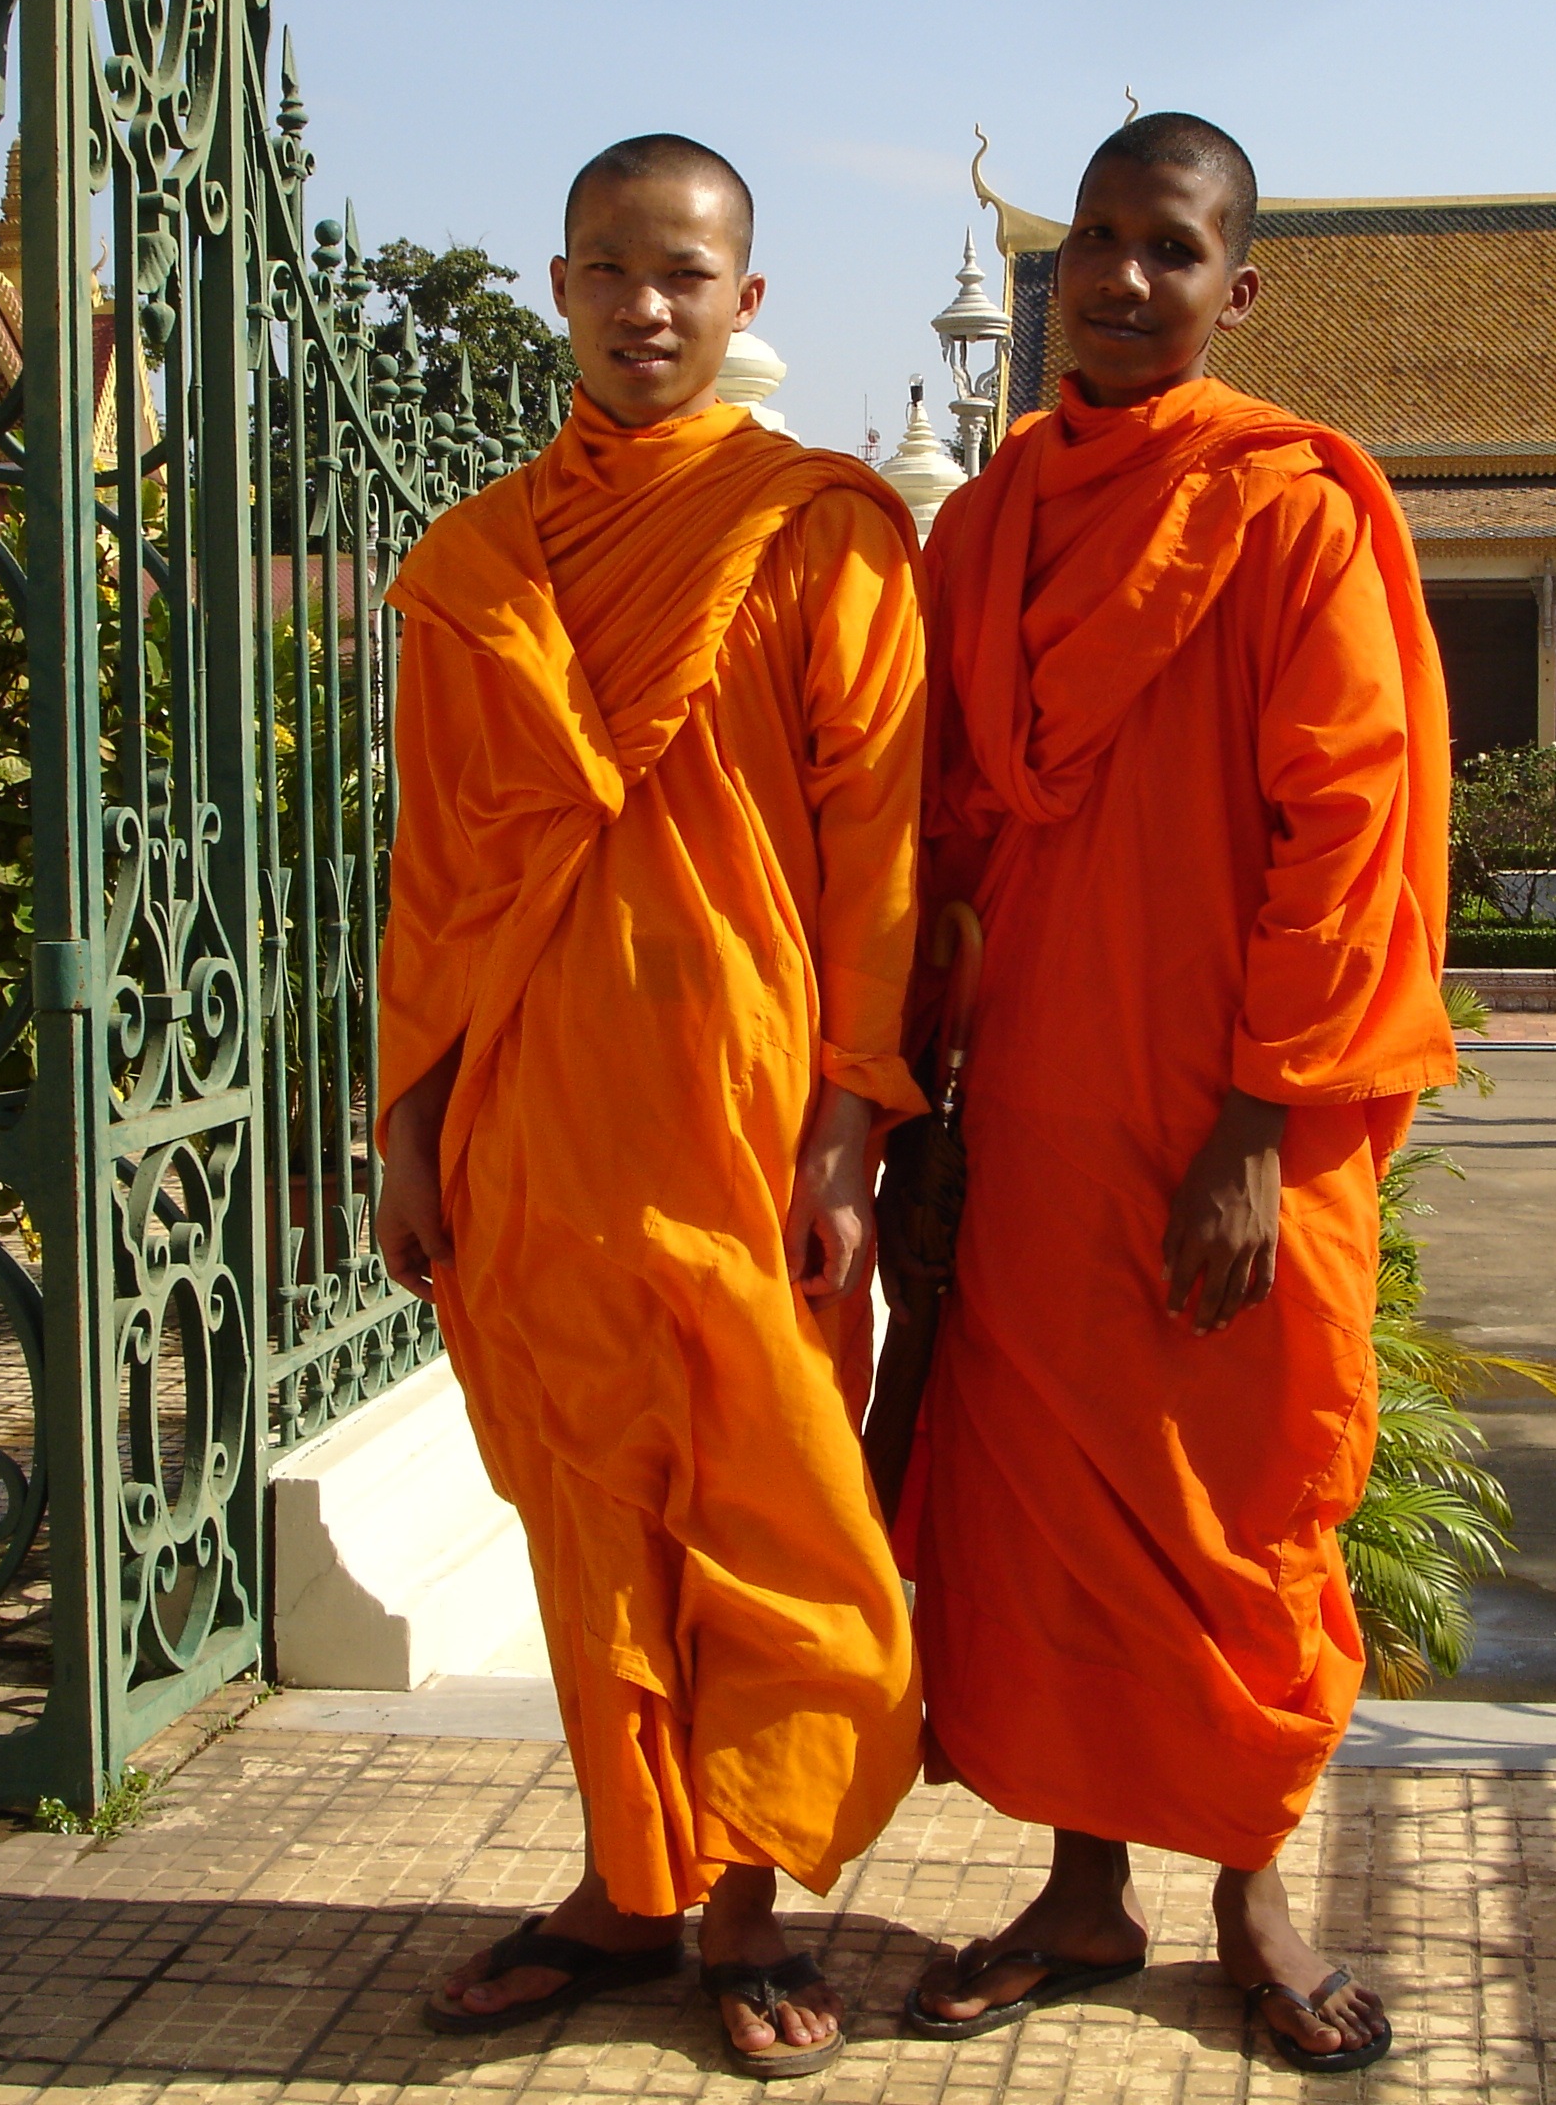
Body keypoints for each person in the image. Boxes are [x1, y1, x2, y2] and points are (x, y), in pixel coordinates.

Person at [894, 113, 1452, 2078]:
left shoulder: (1289, 511)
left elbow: (1348, 833)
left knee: (1249, 1516)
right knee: (1052, 1514)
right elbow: (946, 834)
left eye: (1172, 247)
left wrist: (1253, 1132)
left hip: (1237, 1127)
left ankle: (1249, 1893)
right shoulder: (983, 527)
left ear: (1238, 287)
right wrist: (906, 1098)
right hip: (1040, 1098)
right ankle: (1078, 1889)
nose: (1123, 276)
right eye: (1099, 240)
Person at [374, 134, 927, 2079]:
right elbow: (437, 876)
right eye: (612, 269)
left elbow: (882, 860)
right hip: (539, 1126)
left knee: (776, 1528)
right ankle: (630, 1887)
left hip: (759, 1133)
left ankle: (754, 1900)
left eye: (686, 274)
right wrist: (404, 1129)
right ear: (560, 287)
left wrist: (854, 1127)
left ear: (747, 301)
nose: (648, 306)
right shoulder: (475, 573)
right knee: (594, 1528)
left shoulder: (824, 532)